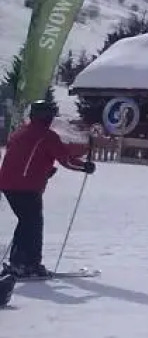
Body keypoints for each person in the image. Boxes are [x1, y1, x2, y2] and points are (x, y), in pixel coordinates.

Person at [0, 100, 95, 279]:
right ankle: (28, 264)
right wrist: (84, 167)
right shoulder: (47, 136)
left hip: (8, 184)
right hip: (26, 187)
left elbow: (21, 157)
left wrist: (44, 170)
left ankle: (19, 262)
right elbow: (66, 160)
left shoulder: (20, 132)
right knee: (33, 224)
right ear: (47, 116)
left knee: (26, 222)